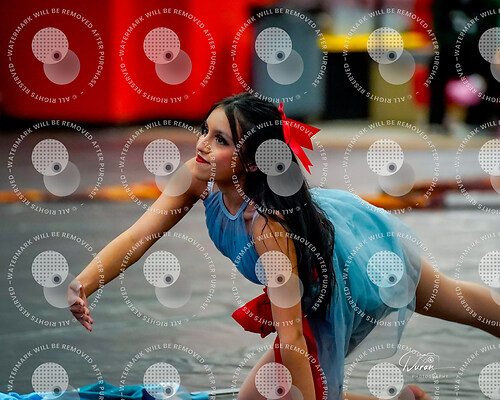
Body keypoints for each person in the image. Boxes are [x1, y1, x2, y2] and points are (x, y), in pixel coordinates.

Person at [70, 93, 500, 400]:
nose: (202, 145)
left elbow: (292, 333)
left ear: (252, 161)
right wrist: (86, 282)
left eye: (220, 140)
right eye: (205, 131)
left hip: (352, 275)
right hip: (330, 257)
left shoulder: (267, 228)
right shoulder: (198, 176)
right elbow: (138, 236)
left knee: (453, 299)